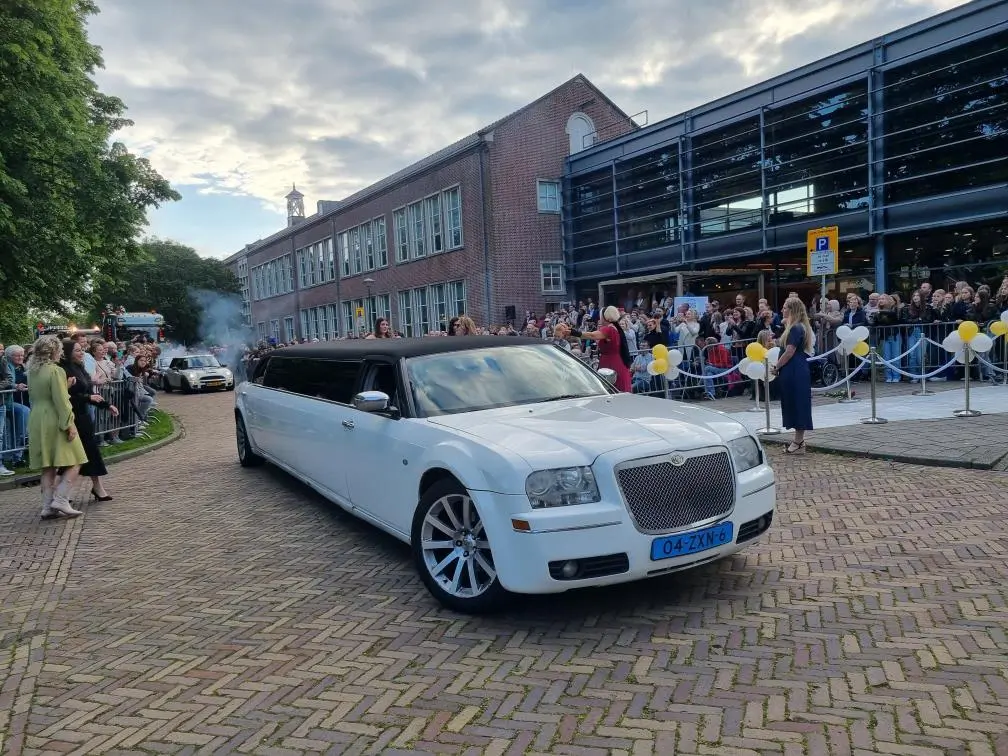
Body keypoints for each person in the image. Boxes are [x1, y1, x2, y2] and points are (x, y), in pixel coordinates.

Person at [27, 335, 88, 518]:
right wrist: (69, 424)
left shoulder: (32, 371)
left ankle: (47, 507)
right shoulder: (55, 371)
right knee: (76, 459)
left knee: (48, 466)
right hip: (54, 417)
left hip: (37, 417)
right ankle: (61, 499)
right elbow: (61, 401)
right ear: (54, 350)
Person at [61, 338, 119, 501]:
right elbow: (66, 397)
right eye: (78, 350)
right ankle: (63, 493)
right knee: (70, 455)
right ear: (67, 353)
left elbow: (89, 392)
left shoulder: (80, 368)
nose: (82, 353)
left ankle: (97, 487)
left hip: (84, 416)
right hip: (71, 417)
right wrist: (88, 398)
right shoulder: (62, 370)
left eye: (82, 350)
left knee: (91, 451)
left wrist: (107, 405)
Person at [770, 298, 814, 454]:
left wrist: (777, 366)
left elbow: (790, 351)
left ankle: (799, 441)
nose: (782, 310)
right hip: (794, 368)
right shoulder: (795, 327)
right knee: (793, 402)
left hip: (794, 369)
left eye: (784, 307)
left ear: (792, 310)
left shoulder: (795, 328)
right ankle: (798, 440)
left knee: (798, 403)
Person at [572, 306, 633, 392]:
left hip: (611, 364)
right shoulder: (616, 328)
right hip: (618, 362)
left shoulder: (609, 329)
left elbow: (592, 335)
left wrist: (572, 332)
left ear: (605, 317)